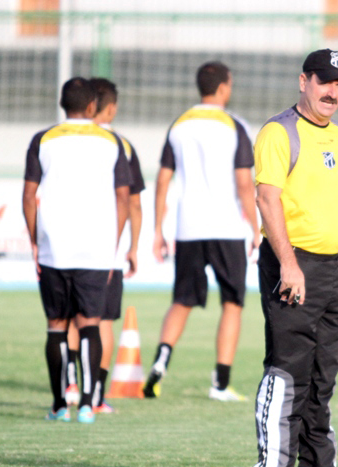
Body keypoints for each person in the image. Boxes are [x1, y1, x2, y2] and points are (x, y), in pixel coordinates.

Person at [250, 49, 338, 467]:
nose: (332, 91)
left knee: (324, 375)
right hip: (291, 263)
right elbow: (267, 200)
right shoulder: (279, 132)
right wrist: (288, 264)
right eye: (325, 81)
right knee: (289, 369)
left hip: (332, 267)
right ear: (303, 81)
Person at [142, 61, 260, 402]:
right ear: (224, 87)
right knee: (232, 304)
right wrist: (255, 227)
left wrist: (158, 230)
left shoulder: (179, 125)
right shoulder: (235, 125)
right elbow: (242, 183)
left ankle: (161, 362)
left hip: (188, 227)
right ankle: (220, 383)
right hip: (226, 227)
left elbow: (163, 179)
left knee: (181, 301)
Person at [23, 77, 131, 424]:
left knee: (56, 325)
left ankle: (58, 404)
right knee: (90, 324)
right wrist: (114, 244)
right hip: (96, 249)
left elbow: (28, 196)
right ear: (91, 107)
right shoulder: (112, 141)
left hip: (54, 247)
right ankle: (87, 403)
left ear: (62, 104)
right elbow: (123, 197)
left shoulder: (43, 140)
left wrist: (35, 240)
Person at [64, 77, 146, 413]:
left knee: (70, 319)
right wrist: (132, 246)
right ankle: (96, 395)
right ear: (107, 107)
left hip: (66, 244)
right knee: (102, 321)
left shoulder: (59, 139)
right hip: (104, 249)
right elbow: (133, 203)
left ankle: (69, 383)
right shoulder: (119, 145)